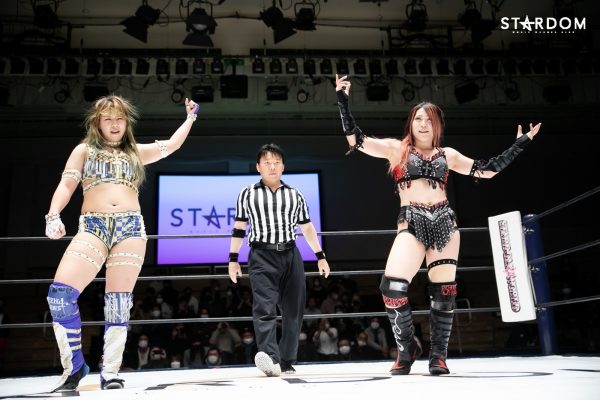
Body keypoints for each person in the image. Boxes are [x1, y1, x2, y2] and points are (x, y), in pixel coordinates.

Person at [334, 74, 541, 375]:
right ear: (410, 123)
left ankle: (438, 356)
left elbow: (488, 170)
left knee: (444, 292)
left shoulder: (448, 155)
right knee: (392, 286)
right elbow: (357, 140)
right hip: (411, 220)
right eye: (418, 119)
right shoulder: (397, 149)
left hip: (444, 221)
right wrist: (342, 101)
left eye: (429, 120)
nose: (423, 124)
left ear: (437, 125)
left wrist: (519, 145)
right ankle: (407, 346)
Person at [44, 95, 199, 391]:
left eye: (120, 119)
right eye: (108, 119)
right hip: (93, 225)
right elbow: (67, 183)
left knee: (118, 302)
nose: (114, 124)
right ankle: (74, 366)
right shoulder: (84, 150)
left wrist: (191, 117)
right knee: (60, 295)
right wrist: (53, 215)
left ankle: (111, 371)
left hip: (130, 228)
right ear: (97, 123)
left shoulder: (136, 152)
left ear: (127, 122)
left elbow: (172, 145)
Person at [228, 143, 330, 376]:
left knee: (293, 310)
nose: (272, 167)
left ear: (283, 166)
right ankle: (270, 359)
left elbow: (307, 228)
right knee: (264, 307)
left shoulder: (295, 194)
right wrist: (233, 259)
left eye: (276, 163)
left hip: (290, 254)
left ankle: (286, 360)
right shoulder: (247, 193)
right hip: (261, 254)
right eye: (267, 163)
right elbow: (239, 227)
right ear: (258, 167)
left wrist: (320, 256)